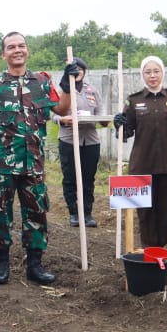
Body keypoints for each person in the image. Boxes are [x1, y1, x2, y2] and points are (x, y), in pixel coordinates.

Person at [0, 32, 75, 285]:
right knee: (0, 213)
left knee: (37, 213)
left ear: (27, 50)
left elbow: (62, 109)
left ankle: (35, 264)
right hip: (1, 164)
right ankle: (2, 263)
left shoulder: (40, 82)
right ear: (3, 54)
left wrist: (69, 84)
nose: (17, 50)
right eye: (11, 47)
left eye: (21, 45)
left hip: (34, 163)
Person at [114, 56, 167, 249]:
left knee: (165, 209)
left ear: (162, 73)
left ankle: (161, 248)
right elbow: (126, 132)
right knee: (145, 210)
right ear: (143, 75)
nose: (152, 76)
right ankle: (149, 248)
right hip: (143, 165)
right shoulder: (134, 101)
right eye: (148, 72)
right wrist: (119, 125)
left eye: (156, 71)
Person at [51, 57, 107, 228]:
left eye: (81, 69)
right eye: (76, 69)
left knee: (88, 178)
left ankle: (87, 213)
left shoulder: (92, 90)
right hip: (69, 140)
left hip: (90, 140)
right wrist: (62, 120)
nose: (79, 72)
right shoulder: (62, 90)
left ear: (84, 72)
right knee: (70, 178)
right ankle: (74, 213)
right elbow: (52, 114)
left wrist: (105, 120)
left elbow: (100, 113)